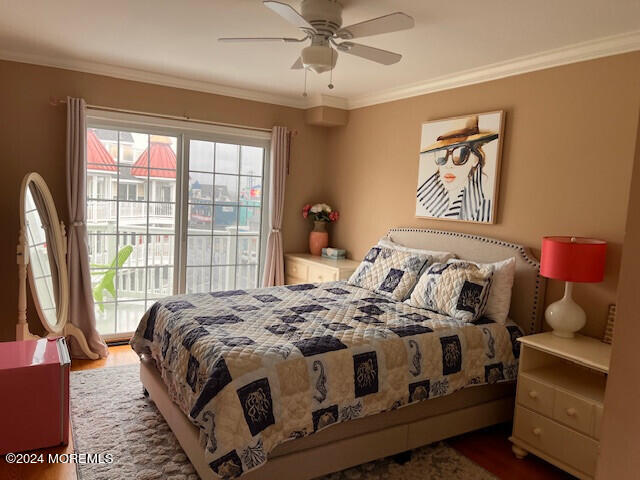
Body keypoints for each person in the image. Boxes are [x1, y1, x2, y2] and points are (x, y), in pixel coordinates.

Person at [417, 116, 498, 222]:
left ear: (475, 160)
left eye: (460, 154)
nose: (449, 165)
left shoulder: (484, 210)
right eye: (442, 156)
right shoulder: (423, 201)